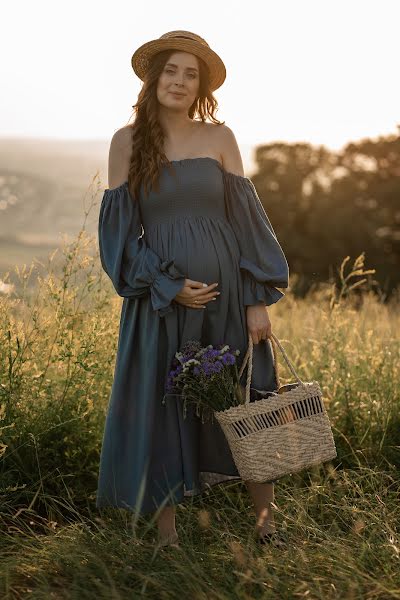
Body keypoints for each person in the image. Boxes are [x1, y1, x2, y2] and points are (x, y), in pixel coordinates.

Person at [96, 30, 290, 549]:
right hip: (161, 303)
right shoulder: (127, 142)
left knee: (247, 400)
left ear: (200, 87)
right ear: (153, 76)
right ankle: (167, 536)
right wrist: (168, 283)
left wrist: (255, 301)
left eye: (191, 74)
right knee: (162, 404)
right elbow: (118, 238)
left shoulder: (219, 137)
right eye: (172, 70)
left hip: (228, 298)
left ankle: (265, 524)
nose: (179, 81)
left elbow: (248, 225)